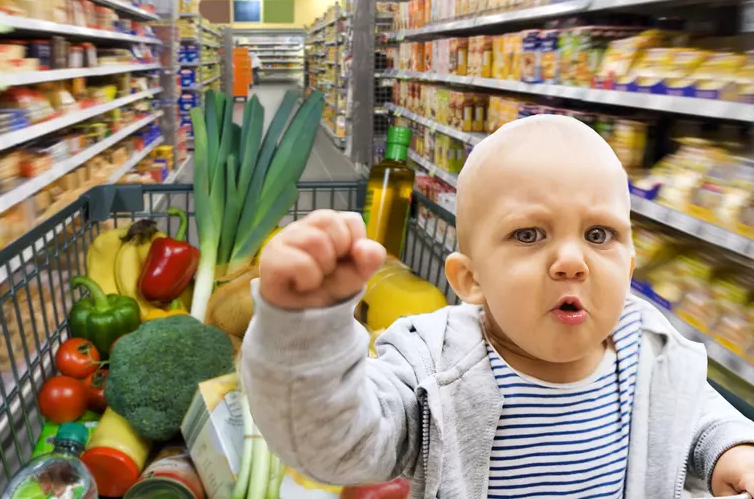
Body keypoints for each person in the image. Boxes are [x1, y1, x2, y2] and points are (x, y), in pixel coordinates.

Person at [242, 114, 754, 498]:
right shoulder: (435, 373)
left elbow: (695, 413)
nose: (572, 261)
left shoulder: (650, 354)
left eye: (599, 234)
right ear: (471, 279)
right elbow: (338, 443)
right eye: (529, 234)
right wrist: (306, 331)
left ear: (631, 262)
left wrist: (730, 449)